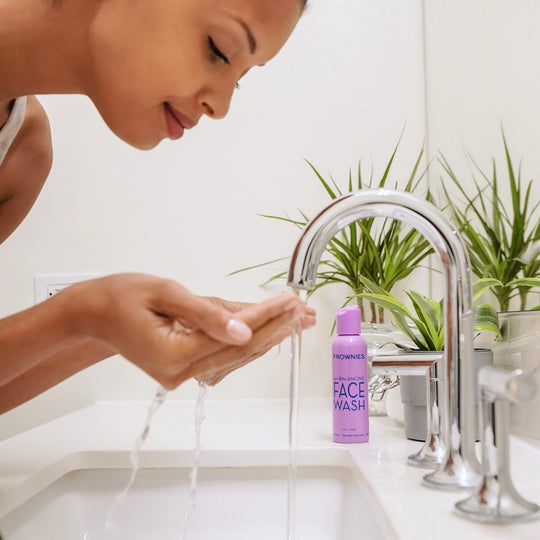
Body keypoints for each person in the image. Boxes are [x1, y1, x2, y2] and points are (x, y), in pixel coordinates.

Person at [0, 0, 314, 413]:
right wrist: (83, 313)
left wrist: (109, 328)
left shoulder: (23, 152)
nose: (220, 106)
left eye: (238, 80)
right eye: (219, 49)